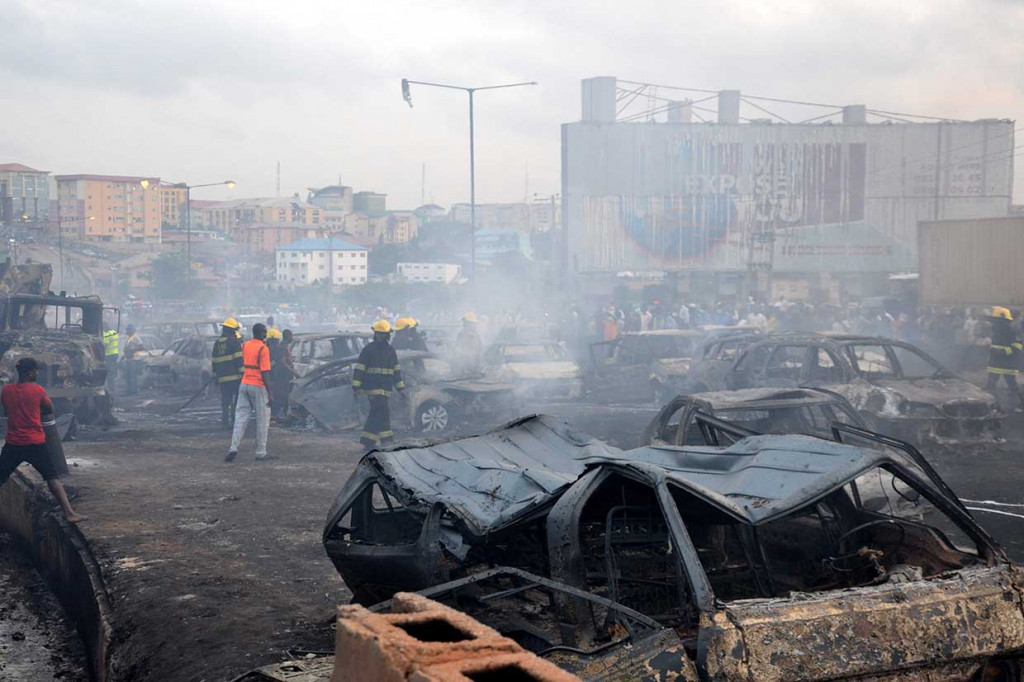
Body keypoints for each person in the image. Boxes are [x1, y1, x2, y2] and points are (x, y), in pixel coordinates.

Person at [0, 358, 86, 523]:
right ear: (29, 372)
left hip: (13, 443)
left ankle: (69, 513)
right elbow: (49, 409)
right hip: (35, 443)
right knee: (52, 478)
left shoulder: (6, 390)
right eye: (35, 370)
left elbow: (6, 409)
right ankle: (69, 513)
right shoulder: (37, 390)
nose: (37, 373)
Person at [353, 320, 405, 451]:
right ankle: (379, 441)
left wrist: (401, 389)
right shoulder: (368, 349)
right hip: (372, 388)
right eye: (378, 334)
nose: (380, 336)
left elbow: (396, 371)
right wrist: (356, 387)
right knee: (380, 412)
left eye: (383, 334)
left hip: (386, 388)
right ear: (375, 334)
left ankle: (375, 441)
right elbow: (359, 369)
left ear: (387, 335)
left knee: (379, 413)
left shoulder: (391, 350)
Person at [226, 323, 273, 462]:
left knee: (240, 418)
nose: (266, 335)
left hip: (244, 384)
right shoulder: (263, 349)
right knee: (263, 419)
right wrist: (270, 392)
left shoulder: (245, 345)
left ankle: (233, 449)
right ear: (260, 333)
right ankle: (261, 452)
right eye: (265, 332)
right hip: (257, 386)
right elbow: (265, 373)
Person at [985, 306, 1024, 411]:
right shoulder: (995, 331)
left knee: (1013, 386)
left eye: (996, 320)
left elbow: (1018, 346)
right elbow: (993, 346)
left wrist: (1003, 352)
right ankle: (989, 406)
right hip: (995, 363)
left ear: (1003, 320)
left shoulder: (1013, 331)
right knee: (990, 386)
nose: (994, 323)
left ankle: (1022, 405)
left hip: (1008, 364)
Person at [211, 318, 244, 430]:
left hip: (222, 378)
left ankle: (224, 422)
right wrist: (243, 374)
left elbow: (214, 361)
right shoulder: (234, 342)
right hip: (235, 378)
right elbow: (239, 359)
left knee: (225, 401)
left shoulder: (217, 343)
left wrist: (216, 376)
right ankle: (234, 421)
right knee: (237, 400)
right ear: (231, 330)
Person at [269, 329, 296, 420]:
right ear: (287, 336)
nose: (292, 338)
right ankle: (273, 415)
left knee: (285, 396)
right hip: (282, 376)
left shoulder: (285, 346)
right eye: (291, 335)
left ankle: (286, 414)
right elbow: (282, 362)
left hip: (285, 376)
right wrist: (294, 372)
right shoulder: (282, 347)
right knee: (281, 396)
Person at [121, 325, 144, 395]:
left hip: (134, 359)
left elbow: (141, 346)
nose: (127, 331)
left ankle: (133, 391)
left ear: (132, 330)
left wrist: (132, 351)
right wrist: (124, 355)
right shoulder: (129, 338)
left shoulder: (135, 337)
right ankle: (129, 391)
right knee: (128, 376)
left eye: (128, 330)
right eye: (127, 330)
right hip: (129, 359)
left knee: (132, 376)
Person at [102, 326, 119, 391]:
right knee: (112, 371)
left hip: (109, 354)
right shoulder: (114, 332)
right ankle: (112, 386)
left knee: (109, 372)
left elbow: (105, 344)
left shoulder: (107, 334)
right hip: (115, 353)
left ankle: (112, 388)